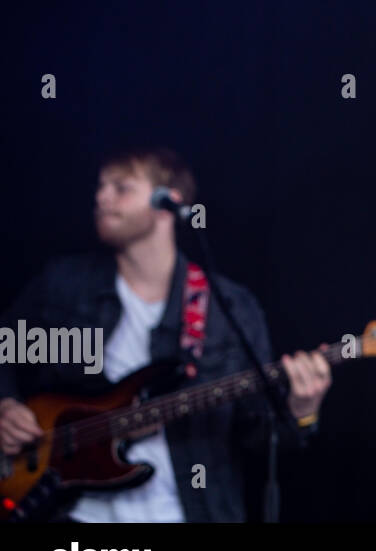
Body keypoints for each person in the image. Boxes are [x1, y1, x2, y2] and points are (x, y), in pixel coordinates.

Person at [0, 147, 331, 522]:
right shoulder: (63, 286)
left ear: (168, 203)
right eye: (100, 186)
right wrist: (5, 405)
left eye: (120, 187)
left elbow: (257, 440)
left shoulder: (229, 309)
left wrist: (302, 412)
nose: (101, 197)